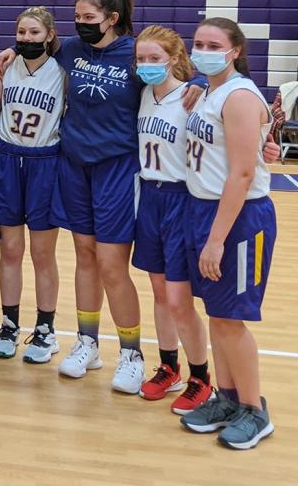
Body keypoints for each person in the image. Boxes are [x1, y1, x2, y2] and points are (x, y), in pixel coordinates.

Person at [0, 0, 205, 393]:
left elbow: (176, 81)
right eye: (77, 18)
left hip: (117, 170)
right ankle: (87, 342)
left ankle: (131, 353)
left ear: (112, 18)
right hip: (73, 166)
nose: (82, 24)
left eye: (89, 18)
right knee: (85, 257)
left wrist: (198, 88)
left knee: (112, 265)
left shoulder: (134, 55)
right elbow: (33, 44)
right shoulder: (70, 48)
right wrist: (9, 50)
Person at [179, 18, 276, 450]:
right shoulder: (208, 91)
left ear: (234, 50)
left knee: (232, 320)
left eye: (213, 44)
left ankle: (255, 411)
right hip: (204, 209)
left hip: (237, 217)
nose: (203, 49)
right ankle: (229, 397)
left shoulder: (237, 95)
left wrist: (216, 239)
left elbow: (242, 172)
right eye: (198, 42)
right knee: (218, 314)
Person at [132, 26, 213, 412]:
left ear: (174, 59)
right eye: (141, 59)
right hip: (149, 197)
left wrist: (199, 82)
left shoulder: (194, 97)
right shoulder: (144, 94)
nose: (146, 66)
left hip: (181, 198)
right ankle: (169, 367)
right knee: (160, 292)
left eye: (155, 59)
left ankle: (201, 377)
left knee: (181, 299)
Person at [0, 7, 63, 363]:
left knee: (42, 253)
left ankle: (46, 328)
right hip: (6, 160)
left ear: (49, 35)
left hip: (45, 163)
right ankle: (9, 323)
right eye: (22, 33)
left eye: (35, 33)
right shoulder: (4, 66)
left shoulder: (62, 72)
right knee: (11, 250)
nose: (27, 39)